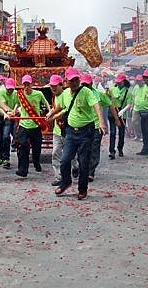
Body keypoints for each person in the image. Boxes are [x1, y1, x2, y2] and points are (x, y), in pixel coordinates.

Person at [53, 68, 107, 200]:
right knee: (65, 160)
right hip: (71, 132)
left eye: (77, 79)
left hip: (86, 132)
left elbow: (97, 106)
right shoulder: (65, 93)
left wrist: (101, 122)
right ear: (66, 82)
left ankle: (82, 189)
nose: (75, 82)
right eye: (72, 80)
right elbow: (61, 106)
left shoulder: (86, 92)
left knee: (83, 162)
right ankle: (66, 182)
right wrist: (51, 114)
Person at [81, 73, 119, 181]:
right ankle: (80, 167)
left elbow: (110, 104)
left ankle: (90, 171)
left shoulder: (98, 94)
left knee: (94, 148)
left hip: (97, 126)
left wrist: (116, 119)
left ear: (91, 84)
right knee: (82, 148)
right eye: (82, 84)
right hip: (83, 126)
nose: (84, 86)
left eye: (86, 84)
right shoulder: (77, 94)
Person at [14, 74, 49, 178]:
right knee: (22, 147)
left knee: (37, 147)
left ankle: (36, 162)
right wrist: (14, 110)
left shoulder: (38, 94)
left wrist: (50, 111)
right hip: (24, 125)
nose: (26, 87)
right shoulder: (20, 95)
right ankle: (22, 170)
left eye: (28, 84)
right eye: (24, 85)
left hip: (35, 125)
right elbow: (17, 104)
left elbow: (46, 102)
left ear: (31, 84)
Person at [46, 74, 67, 186]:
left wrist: (53, 115)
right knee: (55, 153)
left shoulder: (66, 95)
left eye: (55, 86)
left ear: (61, 85)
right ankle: (59, 177)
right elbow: (55, 108)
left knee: (70, 155)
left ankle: (75, 167)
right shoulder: (54, 96)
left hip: (67, 130)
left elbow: (64, 110)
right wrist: (51, 113)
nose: (53, 88)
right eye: (51, 86)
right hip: (57, 130)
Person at [0, 77, 18, 169]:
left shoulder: (15, 93)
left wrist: (14, 111)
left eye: (12, 89)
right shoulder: (0, 92)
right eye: (8, 89)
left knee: (6, 136)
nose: (10, 91)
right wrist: (9, 111)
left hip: (8, 117)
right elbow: (1, 104)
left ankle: (6, 158)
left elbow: (18, 103)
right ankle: (1, 156)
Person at [111, 74, 132, 158]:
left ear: (124, 82)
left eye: (120, 82)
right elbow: (109, 101)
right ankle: (112, 151)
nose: (119, 83)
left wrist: (123, 110)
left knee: (121, 133)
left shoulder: (128, 91)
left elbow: (129, 104)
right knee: (112, 133)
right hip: (112, 112)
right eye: (117, 82)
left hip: (122, 113)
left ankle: (120, 149)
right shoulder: (112, 90)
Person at [131, 75, 144, 141]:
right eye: (137, 81)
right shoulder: (136, 87)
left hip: (144, 108)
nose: (138, 82)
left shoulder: (145, 87)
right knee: (134, 121)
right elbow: (133, 97)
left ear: (142, 81)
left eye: (139, 81)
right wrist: (132, 106)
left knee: (142, 123)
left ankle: (142, 136)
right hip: (136, 107)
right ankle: (137, 135)